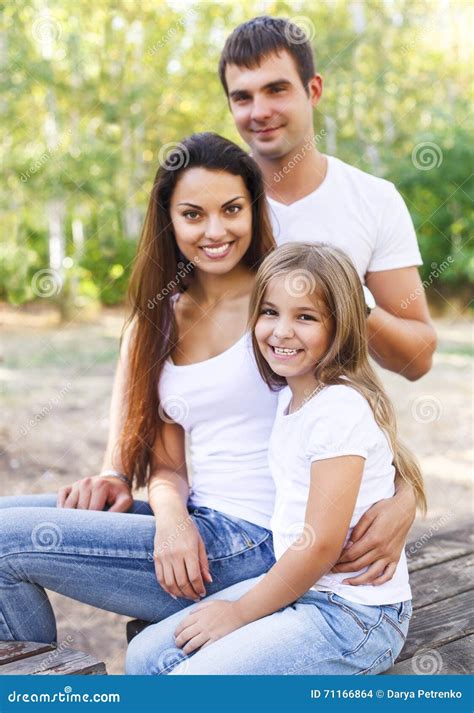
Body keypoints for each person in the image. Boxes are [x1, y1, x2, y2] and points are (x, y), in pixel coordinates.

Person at [0, 133, 279, 642]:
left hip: (259, 542)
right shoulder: (158, 322)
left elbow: (357, 412)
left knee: (2, 545)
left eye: (232, 209)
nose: (215, 230)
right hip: (202, 521)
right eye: (193, 214)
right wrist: (171, 520)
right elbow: (168, 466)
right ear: (168, 221)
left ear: (254, 212)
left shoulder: (284, 299)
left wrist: (395, 498)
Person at [125, 242, 426, 675]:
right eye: (270, 312)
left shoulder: (338, 408)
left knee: (189, 682)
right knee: (145, 657)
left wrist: (240, 613)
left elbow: (321, 545)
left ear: (340, 325)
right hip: (303, 592)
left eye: (305, 316)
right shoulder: (291, 399)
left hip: (355, 618)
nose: (282, 331)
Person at [217, 14, 437, 580]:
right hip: (232, 503)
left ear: (313, 90)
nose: (258, 110)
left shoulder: (372, 201)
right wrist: (120, 467)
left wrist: (350, 302)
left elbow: (417, 358)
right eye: (242, 96)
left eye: (276, 89)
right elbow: (151, 332)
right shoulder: (218, 208)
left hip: (329, 508)